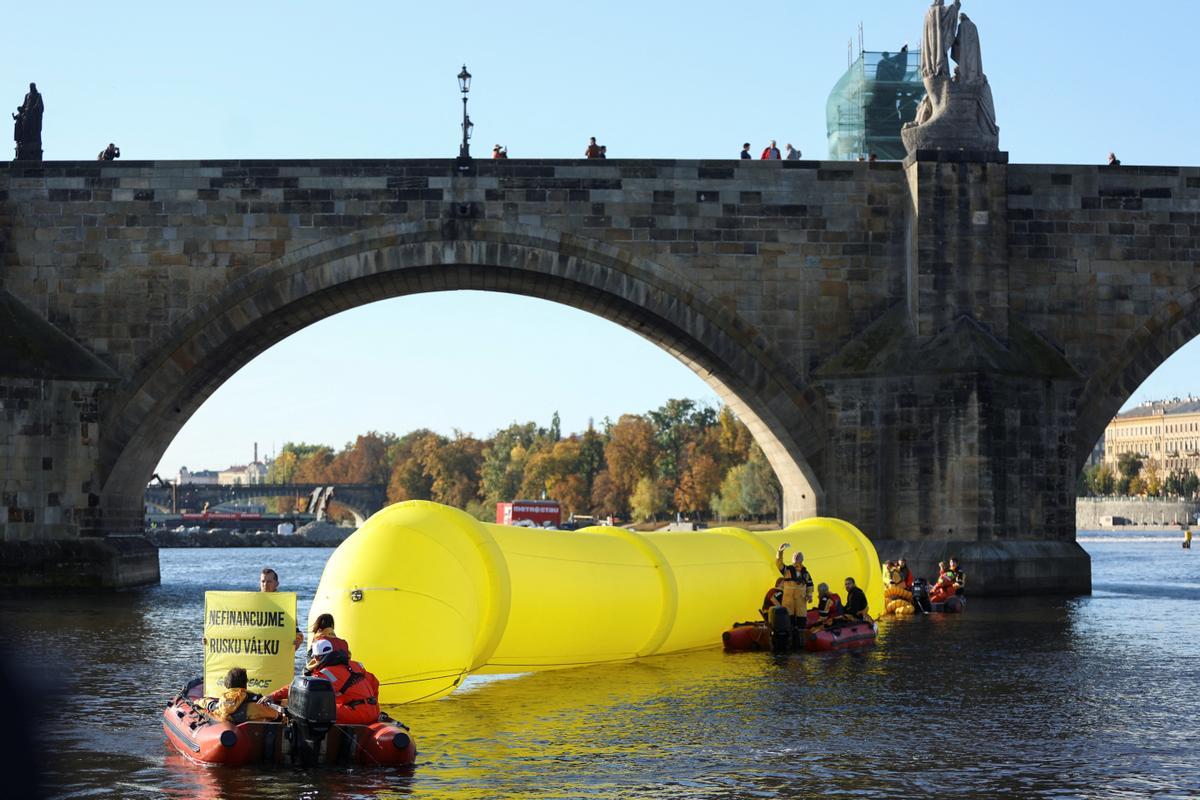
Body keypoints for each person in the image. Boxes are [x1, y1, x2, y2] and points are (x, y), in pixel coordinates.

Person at [265, 639, 381, 725]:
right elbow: (375, 682)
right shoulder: (356, 665)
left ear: (316, 658)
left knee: (311, 711)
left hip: (355, 714)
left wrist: (274, 695)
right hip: (374, 710)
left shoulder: (325, 674)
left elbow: (298, 686)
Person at [207, 667, 281, 723]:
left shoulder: (221, 705)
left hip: (227, 735)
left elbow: (207, 704)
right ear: (245, 684)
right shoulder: (258, 705)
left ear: (227, 683)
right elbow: (277, 715)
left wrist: (198, 702)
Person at [260, 567, 304, 650]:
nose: (265, 584)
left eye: (269, 581)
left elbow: (297, 631)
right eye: (263, 581)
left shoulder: (285, 604)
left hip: (278, 652)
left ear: (276, 584)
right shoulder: (253, 602)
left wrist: (298, 641)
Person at [775, 543, 814, 625]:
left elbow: (810, 585)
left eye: (798, 557)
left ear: (802, 559)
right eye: (795, 557)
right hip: (788, 601)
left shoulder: (805, 573)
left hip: (801, 601)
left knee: (801, 621)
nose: (796, 558)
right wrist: (780, 552)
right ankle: (790, 635)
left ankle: (801, 634)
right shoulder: (787, 570)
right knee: (789, 620)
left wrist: (809, 595)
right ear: (792, 559)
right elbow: (779, 564)